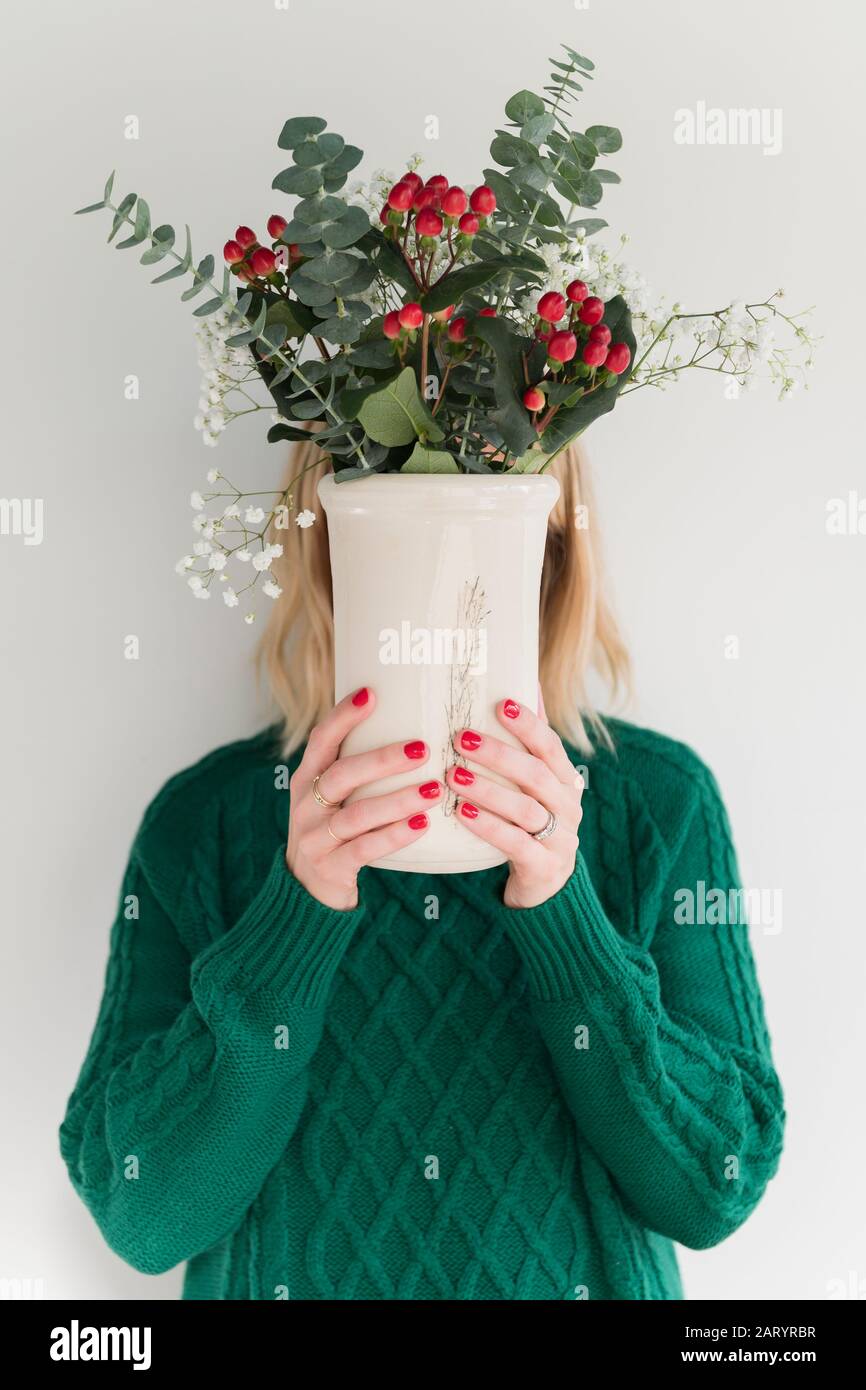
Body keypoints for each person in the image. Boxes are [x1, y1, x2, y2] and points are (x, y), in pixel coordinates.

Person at [59, 440, 785, 1300]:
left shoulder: (659, 808)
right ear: (329, 541)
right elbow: (143, 1215)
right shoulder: (206, 826)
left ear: (549, 539)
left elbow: (715, 1191)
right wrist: (294, 919)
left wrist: (567, 916)